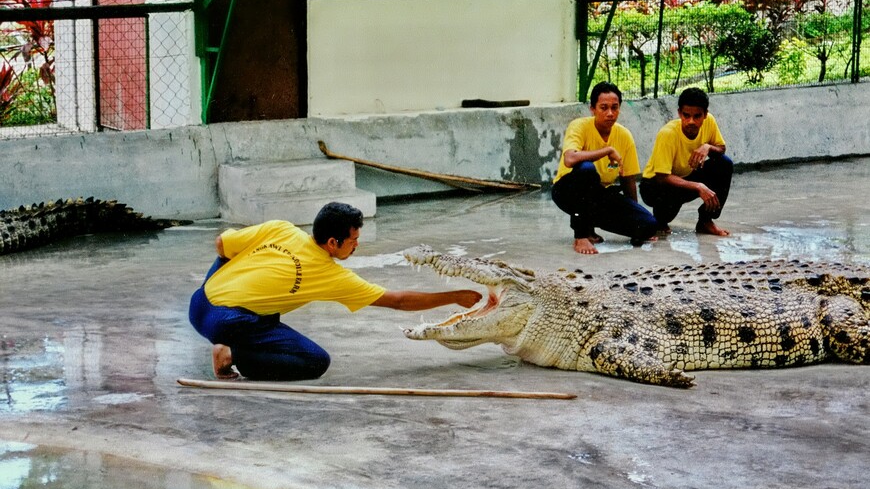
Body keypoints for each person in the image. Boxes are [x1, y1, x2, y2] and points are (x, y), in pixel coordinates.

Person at [188, 202, 482, 381]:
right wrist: (454, 296)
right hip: (224, 322)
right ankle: (230, 353)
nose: (357, 244)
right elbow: (398, 301)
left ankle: (230, 332)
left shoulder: (282, 229)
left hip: (199, 302)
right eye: (353, 240)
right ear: (332, 242)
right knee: (316, 362)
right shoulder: (329, 274)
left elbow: (221, 245)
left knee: (252, 286)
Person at [551, 81, 658, 255]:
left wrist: (636, 215)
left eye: (614, 108)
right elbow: (570, 159)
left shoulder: (624, 135)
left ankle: (590, 225)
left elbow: (628, 179)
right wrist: (607, 150)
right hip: (568, 192)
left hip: (598, 196)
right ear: (592, 109)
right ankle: (581, 234)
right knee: (586, 170)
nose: (610, 113)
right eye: (603, 107)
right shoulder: (579, 126)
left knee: (649, 225)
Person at [640, 87, 733, 236]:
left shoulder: (710, 121)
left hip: (685, 177)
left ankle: (705, 221)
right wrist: (698, 186)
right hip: (654, 185)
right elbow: (662, 177)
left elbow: (721, 148)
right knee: (664, 210)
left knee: (724, 164)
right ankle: (660, 220)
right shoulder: (668, 134)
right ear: (679, 113)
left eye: (697, 116)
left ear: (705, 115)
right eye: (686, 115)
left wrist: (707, 147)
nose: (691, 121)